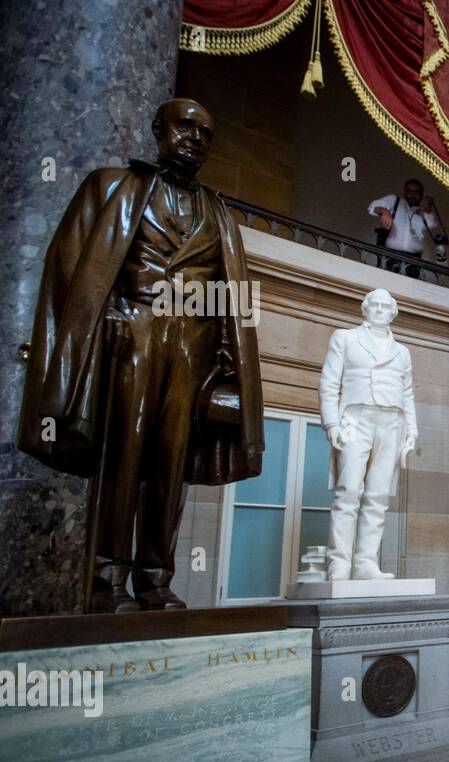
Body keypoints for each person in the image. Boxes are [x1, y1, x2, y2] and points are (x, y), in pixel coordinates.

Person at [17, 98, 264, 612]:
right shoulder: (111, 187)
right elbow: (68, 271)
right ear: (158, 129)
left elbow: (231, 298)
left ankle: (155, 578)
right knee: (122, 454)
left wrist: (229, 367)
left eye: (206, 133)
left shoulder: (219, 214)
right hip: (132, 332)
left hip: (191, 347)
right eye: (186, 126)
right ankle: (106, 579)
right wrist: (88, 332)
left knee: (169, 462)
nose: (195, 138)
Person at [318, 288, 418, 581]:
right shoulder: (345, 338)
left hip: (391, 422)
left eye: (385, 306)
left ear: (393, 312)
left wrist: (412, 430)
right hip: (355, 417)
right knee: (348, 491)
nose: (378, 309)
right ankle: (338, 563)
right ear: (364, 309)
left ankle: (365, 563)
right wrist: (332, 424)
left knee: (377, 496)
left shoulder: (402, 352)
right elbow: (329, 383)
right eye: (373, 305)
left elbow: (408, 393)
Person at [367, 178, 448, 277]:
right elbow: (372, 207)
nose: (412, 194)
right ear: (404, 192)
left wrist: (427, 209)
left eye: (416, 192)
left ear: (421, 194)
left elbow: (435, 229)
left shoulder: (425, 213)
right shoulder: (395, 201)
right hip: (390, 257)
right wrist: (385, 211)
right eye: (409, 191)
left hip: (414, 261)